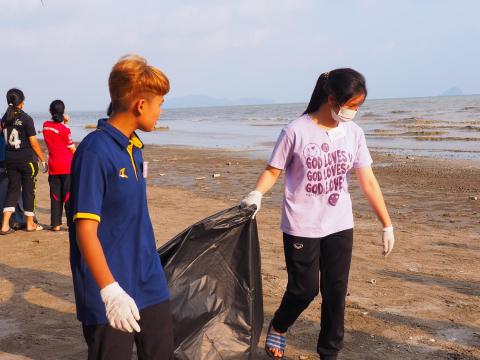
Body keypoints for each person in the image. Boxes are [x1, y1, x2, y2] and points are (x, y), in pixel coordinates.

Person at [240, 68, 395, 360]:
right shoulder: (295, 130)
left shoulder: (354, 133)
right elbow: (274, 170)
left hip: (339, 223)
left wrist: (386, 223)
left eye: (358, 107)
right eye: (351, 106)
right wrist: (257, 194)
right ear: (332, 98)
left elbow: (368, 181)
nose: (354, 112)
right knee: (304, 289)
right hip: (301, 224)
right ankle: (281, 324)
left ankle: (329, 352)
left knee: (336, 293)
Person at [68, 54, 174, 359]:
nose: (161, 111)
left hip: (149, 281)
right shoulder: (94, 152)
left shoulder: (134, 147)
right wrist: (110, 291)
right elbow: (85, 231)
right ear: (141, 104)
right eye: (160, 103)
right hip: (108, 286)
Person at [0, 88, 47, 234]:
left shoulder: (4, 119)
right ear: (21, 102)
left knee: (12, 191)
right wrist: (43, 159)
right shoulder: (26, 119)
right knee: (29, 190)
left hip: (10, 159)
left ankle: (5, 225)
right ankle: (30, 224)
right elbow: (34, 143)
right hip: (26, 160)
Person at [43, 100, 75, 231]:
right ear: (63, 112)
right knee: (67, 195)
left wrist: (64, 123)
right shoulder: (65, 129)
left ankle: (55, 224)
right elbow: (71, 147)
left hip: (54, 166)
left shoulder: (45, 126)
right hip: (67, 165)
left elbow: (56, 133)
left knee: (55, 196)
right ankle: (70, 224)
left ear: (50, 111)